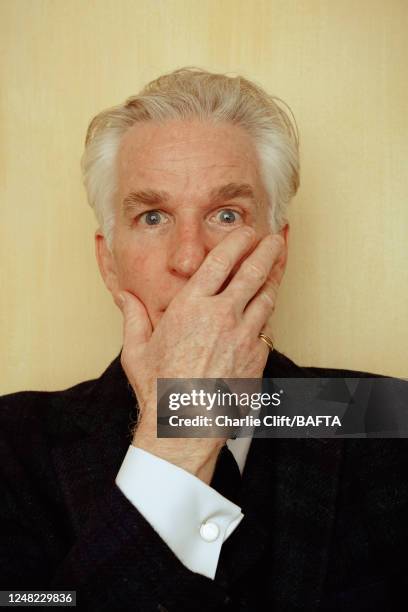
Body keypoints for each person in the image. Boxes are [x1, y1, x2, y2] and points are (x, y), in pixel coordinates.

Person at [1, 67, 406, 611]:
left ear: (276, 253)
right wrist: (179, 434)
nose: (190, 259)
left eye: (225, 214)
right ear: (108, 262)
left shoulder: (387, 419)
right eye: (152, 216)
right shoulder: (12, 445)